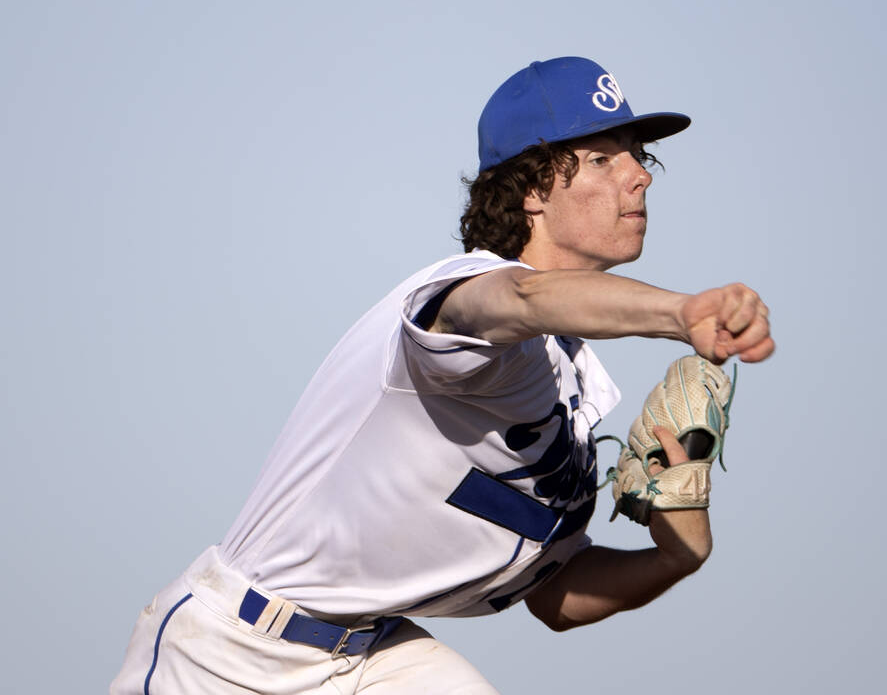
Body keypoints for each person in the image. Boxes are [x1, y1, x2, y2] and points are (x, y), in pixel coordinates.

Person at [111, 56, 774, 694]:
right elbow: (521, 299)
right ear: (531, 192)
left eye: (638, 155)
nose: (640, 177)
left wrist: (674, 558)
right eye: (603, 158)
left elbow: (553, 592)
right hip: (229, 655)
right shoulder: (457, 303)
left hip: (373, 659)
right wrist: (679, 312)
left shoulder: (570, 394)